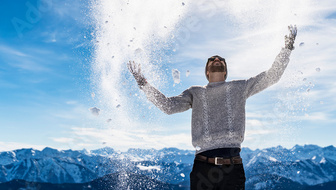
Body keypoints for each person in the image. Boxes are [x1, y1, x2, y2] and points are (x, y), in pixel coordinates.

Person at [127, 25, 297, 190]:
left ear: (225, 72)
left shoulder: (240, 87)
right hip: (203, 168)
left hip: (232, 167)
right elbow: (168, 106)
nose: (216, 59)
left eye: (220, 60)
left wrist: (287, 48)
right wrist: (143, 83)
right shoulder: (195, 92)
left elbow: (271, 76)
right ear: (207, 72)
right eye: (212, 60)